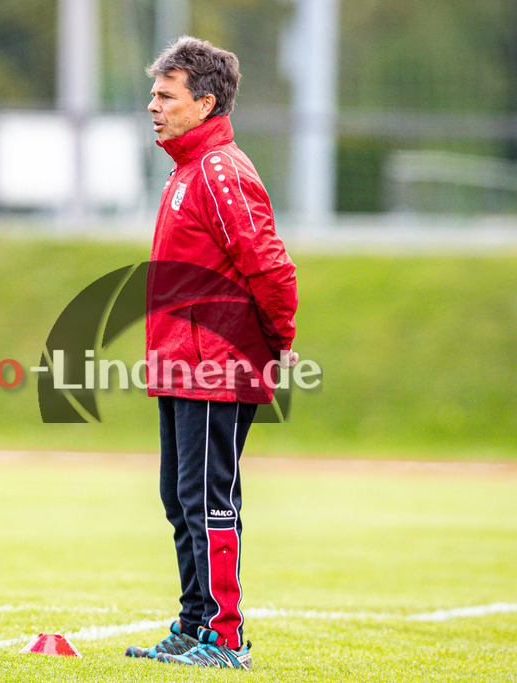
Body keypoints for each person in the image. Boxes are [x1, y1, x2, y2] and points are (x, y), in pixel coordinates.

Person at [123, 36, 299, 670]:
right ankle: (196, 624)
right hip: (180, 362)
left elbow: (269, 265)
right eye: (153, 94)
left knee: (208, 499)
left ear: (204, 101)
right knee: (180, 497)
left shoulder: (221, 171)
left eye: (165, 95)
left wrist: (276, 341)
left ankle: (225, 640)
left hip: (214, 365)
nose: (153, 105)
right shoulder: (187, 170)